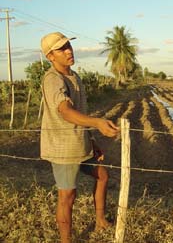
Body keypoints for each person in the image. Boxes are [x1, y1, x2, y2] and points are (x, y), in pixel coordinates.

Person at [40, 32, 119, 243]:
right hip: (63, 148)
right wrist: (97, 122)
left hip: (81, 144)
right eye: (61, 48)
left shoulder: (74, 77)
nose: (68, 50)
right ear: (50, 56)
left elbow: (79, 111)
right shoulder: (52, 79)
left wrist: (92, 140)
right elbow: (65, 111)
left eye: (68, 46)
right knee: (67, 196)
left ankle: (100, 221)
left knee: (103, 176)